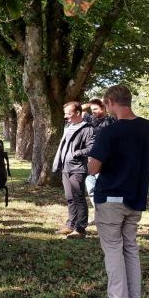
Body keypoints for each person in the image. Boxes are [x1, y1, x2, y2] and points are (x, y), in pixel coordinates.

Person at [86, 85, 149, 298]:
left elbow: (93, 168)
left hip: (111, 196)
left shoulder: (110, 132)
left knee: (113, 249)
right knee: (130, 247)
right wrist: (138, 157)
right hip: (136, 196)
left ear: (110, 101)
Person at [52, 101, 94, 239]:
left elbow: (91, 148)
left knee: (78, 198)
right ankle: (70, 225)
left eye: (68, 113)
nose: (66, 116)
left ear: (77, 113)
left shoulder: (87, 128)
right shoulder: (68, 126)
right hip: (65, 167)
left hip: (77, 168)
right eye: (65, 113)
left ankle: (80, 229)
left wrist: (76, 153)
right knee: (70, 198)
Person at [85, 99, 116, 211]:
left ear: (103, 108)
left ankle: (108, 211)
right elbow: (80, 109)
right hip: (90, 159)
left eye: (96, 109)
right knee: (91, 188)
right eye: (92, 110)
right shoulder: (91, 119)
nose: (93, 112)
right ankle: (98, 211)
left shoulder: (111, 120)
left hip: (104, 160)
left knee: (103, 188)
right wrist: (91, 103)